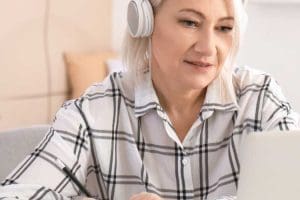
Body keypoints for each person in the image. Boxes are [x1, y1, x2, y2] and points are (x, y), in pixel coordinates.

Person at [0, 0, 299, 199]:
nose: (209, 48)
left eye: (224, 28)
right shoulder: (94, 111)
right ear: (144, 21)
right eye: (190, 23)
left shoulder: (259, 100)